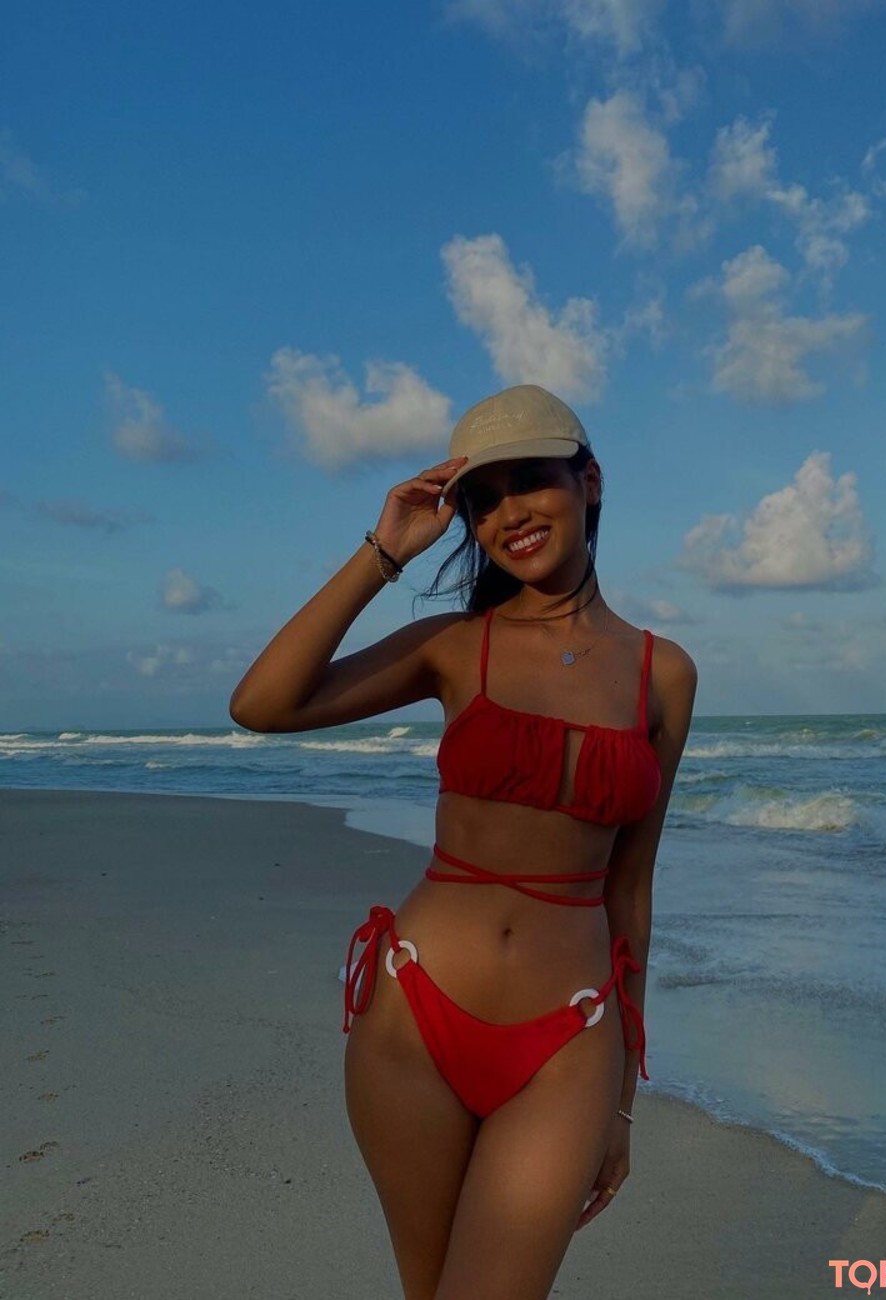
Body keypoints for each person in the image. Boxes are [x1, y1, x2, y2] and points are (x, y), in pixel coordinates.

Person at [230, 384, 697, 1300]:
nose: (509, 514)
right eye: (484, 500)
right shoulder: (454, 646)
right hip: (415, 1014)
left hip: (570, 1039)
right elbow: (262, 704)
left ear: (590, 481)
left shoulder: (663, 673)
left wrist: (622, 1102)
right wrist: (385, 551)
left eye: (532, 481)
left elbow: (631, 888)